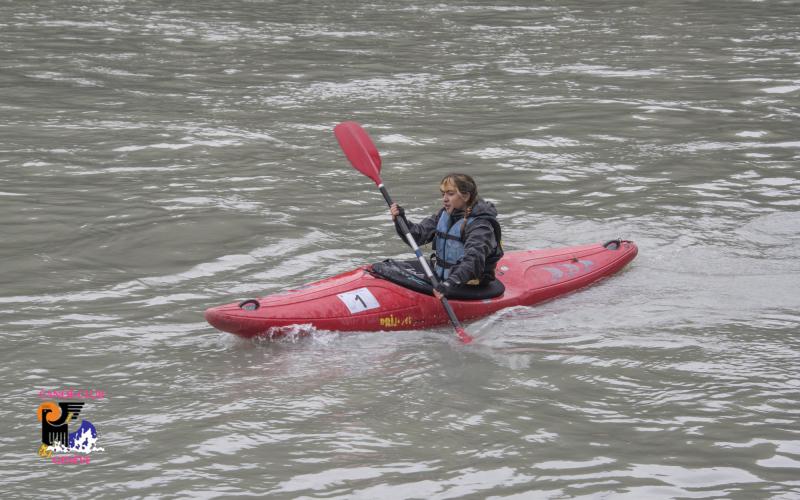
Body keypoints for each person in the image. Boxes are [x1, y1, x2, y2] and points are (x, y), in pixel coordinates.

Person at [389, 173, 503, 300]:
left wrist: (450, 283)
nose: (445, 199)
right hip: (444, 279)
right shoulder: (444, 215)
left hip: (468, 285)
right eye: (443, 194)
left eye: (450, 193)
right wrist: (401, 221)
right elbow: (417, 236)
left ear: (465, 196)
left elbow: (473, 260)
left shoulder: (480, 225)